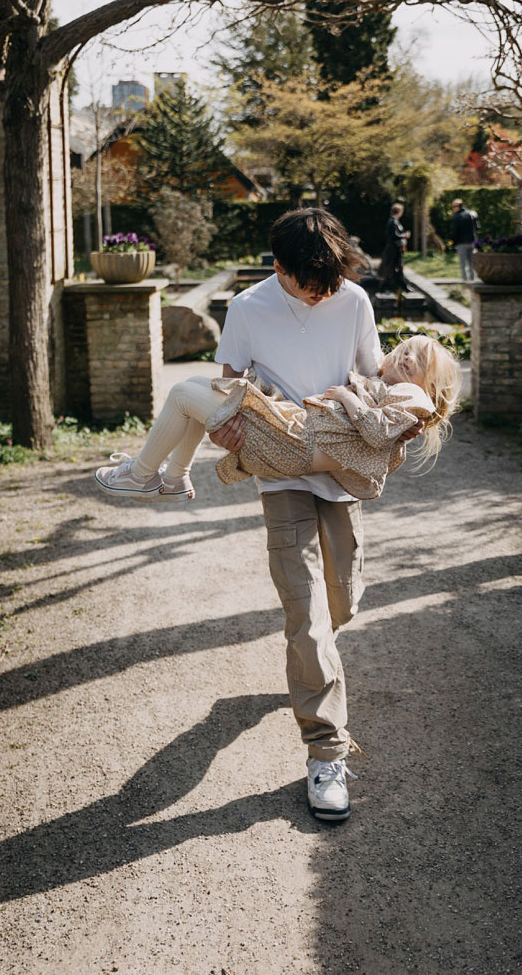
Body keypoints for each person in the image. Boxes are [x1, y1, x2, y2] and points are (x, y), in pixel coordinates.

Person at [110, 208, 409, 824]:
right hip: (282, 476)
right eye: (310, 283)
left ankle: (309, 668)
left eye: (330, 280)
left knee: (341, 603)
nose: (323, 293)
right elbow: (228, 387)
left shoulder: (352, 300)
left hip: (341, 472)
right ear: (280, 268)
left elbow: (371, 374)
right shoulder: (248, 308)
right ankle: (325, 752)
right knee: (306, 615)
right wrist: (235, 431)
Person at [91, 331, 460, 503]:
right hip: (295, 439)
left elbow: (377, 434)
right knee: (192, 386)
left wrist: (349, 398)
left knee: (183, 394)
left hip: (294, 444)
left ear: (431, 385)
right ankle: (173, 479)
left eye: (420, 361)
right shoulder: (390, 384)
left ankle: (141, 477)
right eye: (407, 349)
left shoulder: (413, 396)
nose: (408, 357)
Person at [377, 201, 410, 299]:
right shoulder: (392, 221)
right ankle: (384, 288)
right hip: (393, 249)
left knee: (397, 268)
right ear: (399, 211)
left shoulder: (394, 221)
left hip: (396, 248)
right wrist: (404, 235)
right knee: (392, 268)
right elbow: (393, 236)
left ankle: (403, 287)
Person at [450, 197, 479, 282]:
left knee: (463, 264)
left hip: (461, 243)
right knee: (472, 264)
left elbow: (455, 231)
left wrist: (453, 243)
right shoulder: (472, 214)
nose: (453, 209)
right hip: (472, 242)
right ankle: (474, 281)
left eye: (453, 207)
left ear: (457, 206)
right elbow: (477, 227)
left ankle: (465, 283)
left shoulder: (457, 217)